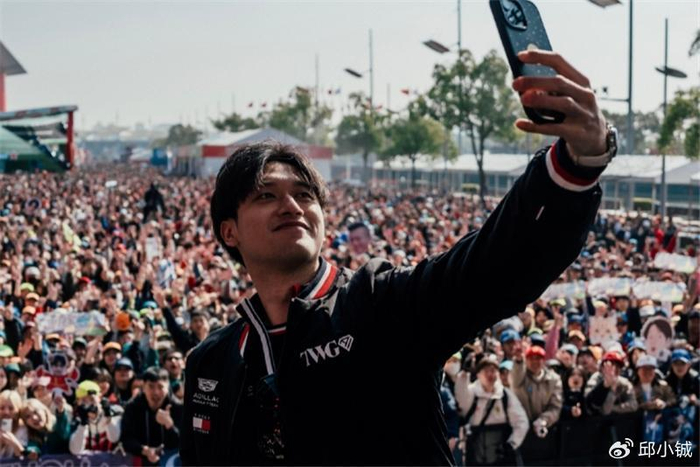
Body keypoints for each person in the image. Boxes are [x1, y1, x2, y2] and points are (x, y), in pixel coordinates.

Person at [182, 49, 614, 465]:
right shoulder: (211, 363)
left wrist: (575, 165)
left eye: (305, 194)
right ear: (229, 231)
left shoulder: (380, 304)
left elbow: (494, 266)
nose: (292, 206)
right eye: (266, 196)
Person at [454, 354, 529, 465]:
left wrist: (511, 444)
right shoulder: (471, 393)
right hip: (475, 456)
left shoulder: (505, 395)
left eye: (493, 370)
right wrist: (465, 373)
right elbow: (460, 396)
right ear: (478, 374)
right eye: (486, 370)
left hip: (501, 457)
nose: (490, 374)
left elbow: (522, 422)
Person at [120, 368, 182, 465]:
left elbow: (185, 442)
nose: (156, 392)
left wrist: (169, 425)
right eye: (151, 387)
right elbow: (126, 439)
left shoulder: (178, 407)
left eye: (160, 387)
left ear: (168, 387)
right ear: (143, 387)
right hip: (142, 459)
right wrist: (145, 450)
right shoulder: (133, 407)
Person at [510, 344, 563, 439]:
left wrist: (544, 420)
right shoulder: (520, 377)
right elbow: (515, 378)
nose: (535, 362)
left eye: (538, 358)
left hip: (545, 429)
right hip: (521, 429)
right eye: (531, 358)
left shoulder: (553, 379)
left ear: (544, 360)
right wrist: (518, 360)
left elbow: (556, 406)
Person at [69, 380, 121, 455]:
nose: (88, 404)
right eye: (84, 400)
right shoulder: (75, 418)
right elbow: (75, 450)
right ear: (78, 402)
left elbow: (114, 438)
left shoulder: (113, 411)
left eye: (91, 399)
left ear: (99, 398)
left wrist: (108, 416)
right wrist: (83, 424)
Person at [584, 351, 638, 416]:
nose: (613, 370)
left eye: (617, 366)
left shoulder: (624, 383)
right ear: (602, 367)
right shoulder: (595, 378)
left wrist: (614, 408)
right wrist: (605, 386)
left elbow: (633, 405)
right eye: (610, 366)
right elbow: (588, 401)